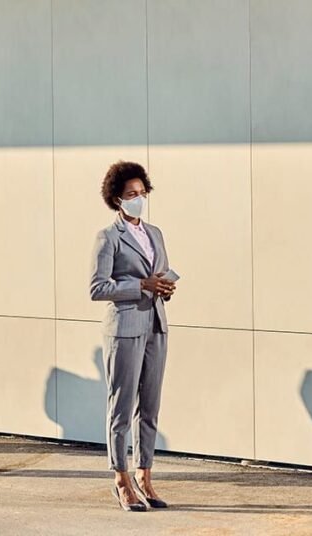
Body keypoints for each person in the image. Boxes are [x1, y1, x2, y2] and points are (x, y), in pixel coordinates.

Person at [89, 161, 176, 512]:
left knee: (150, 405)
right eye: (131, 195)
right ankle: (120, 478)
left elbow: (160, 273)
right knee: (122, 407)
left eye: (141, 193)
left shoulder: (155, 233)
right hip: (124, 328)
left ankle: (145, 475)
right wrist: (140, 285)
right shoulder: (108, 237)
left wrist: (164, 287)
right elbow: (98, 288)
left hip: (156, 323)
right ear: (116, 199)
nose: (138, 199)